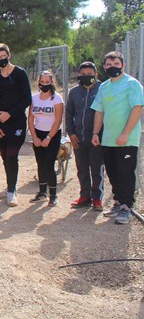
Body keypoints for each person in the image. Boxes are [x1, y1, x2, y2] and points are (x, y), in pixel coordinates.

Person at [91, 51, 144, 224]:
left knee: (125, 173)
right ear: (104, 66)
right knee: (112, 172)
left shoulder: (132, 84)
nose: (112, 66)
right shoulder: (104, 87)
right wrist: (95, 133)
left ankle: (126, 207)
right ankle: (118, 202)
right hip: (108, 139)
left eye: (116, 63)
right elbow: (99, 111)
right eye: (108, 64)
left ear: (123, 65)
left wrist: (125, 133)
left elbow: (137, 109)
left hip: (126, 140)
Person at [0, 43, 32, 207]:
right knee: (5, 158)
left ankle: (12, 192)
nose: (1, 59)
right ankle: (9, 187)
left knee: (12, 156)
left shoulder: (20, 74)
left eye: (3, 56)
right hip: (1, 124)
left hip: (17, 122)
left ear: (9, 55)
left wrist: (10, 114)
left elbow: (27, 99)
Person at [65, 61, 104, 211]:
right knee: (81, 168)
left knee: (97, 168)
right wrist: (71, 133)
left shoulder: (102, 89)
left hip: (96, 138)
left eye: (89, 74)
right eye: (83, 74)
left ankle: (97, 198)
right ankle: (84, 196)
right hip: (78, 138)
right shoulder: (74, 92)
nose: (86, 77)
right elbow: (69, 113)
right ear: (79, 75)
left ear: (96, 75)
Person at [28, 71, 64, 207]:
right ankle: (42, 192)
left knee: (49, 165)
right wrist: (35, 137)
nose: (44, 85)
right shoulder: (34, 98)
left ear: (52, 82)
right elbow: (31, 119)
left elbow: (58, 120)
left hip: (52, 134)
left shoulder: (57, 98)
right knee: (40, 163)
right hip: (38, 133)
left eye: (47, 82)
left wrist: (49, 137)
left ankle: (53, 195)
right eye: (42, 82)